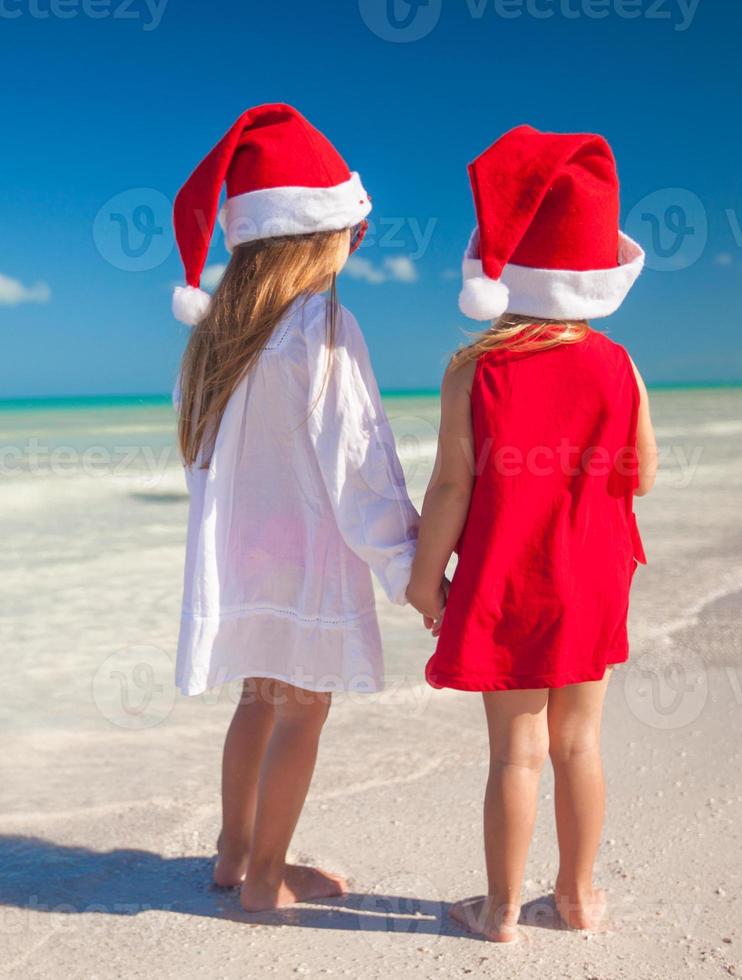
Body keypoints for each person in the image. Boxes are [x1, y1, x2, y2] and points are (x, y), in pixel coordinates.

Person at [407, 125, 657, 942]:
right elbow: (642, 476)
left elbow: (451, 485)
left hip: (509, 578)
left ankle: (502, 910)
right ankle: (579, 897)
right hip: (592, 577)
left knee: (515, 751)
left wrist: (422, 574)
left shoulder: (475, 366)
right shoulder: (618, 364)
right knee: (579, 743)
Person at [171, 104, 418, 911]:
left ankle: (233, 854)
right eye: (354, 226)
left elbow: (210, 461)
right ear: (314, 235)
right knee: (303, 711)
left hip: (246, 552)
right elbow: (358, 463)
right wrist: (407, 564)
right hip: (309, 552)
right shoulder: (321, 323)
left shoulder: (215, 335)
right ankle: (266, 881)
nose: (362, 241)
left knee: (257, 698)